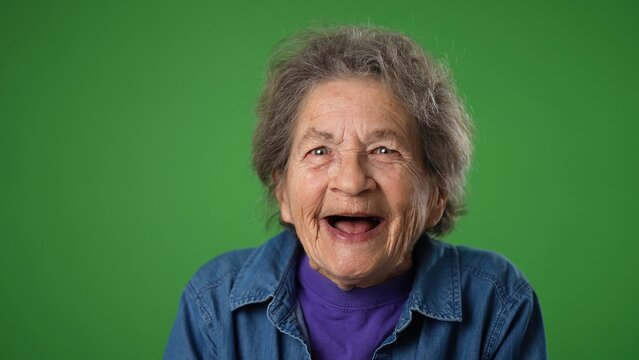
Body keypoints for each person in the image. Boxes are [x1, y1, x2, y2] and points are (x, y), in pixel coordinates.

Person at [164, 25, 546, 359]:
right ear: (282, 192)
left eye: (384, 150)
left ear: (436, 196)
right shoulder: (214, 302)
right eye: (320, 151)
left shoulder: (498, 302)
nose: (350, 181)